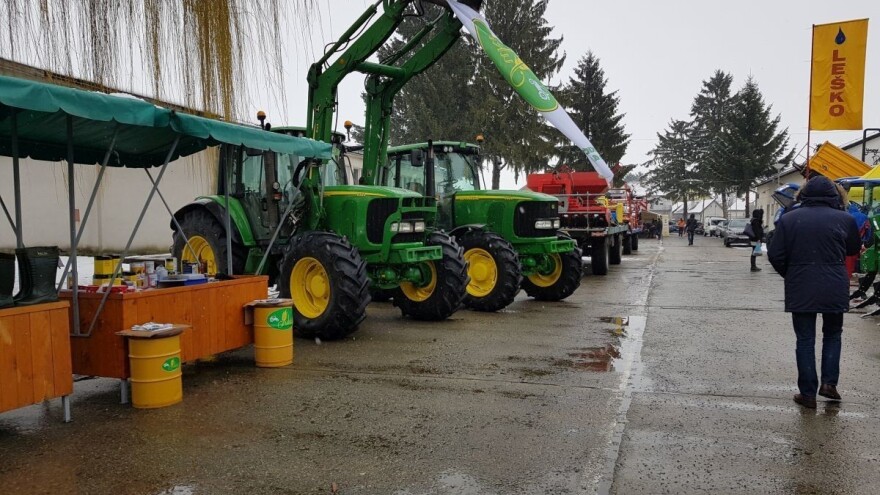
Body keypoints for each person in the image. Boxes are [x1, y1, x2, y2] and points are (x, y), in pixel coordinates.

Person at [768, 176, 860, 409]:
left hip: (801, 285)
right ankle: (829, 384)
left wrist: (792, 274)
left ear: (804, 195)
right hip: (834, 285)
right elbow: (852, 249)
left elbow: (776, 254)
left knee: (805, 340)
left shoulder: (789, 220)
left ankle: (807, 393)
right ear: (835, 195)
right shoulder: (845, 219)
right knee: (833, 334)